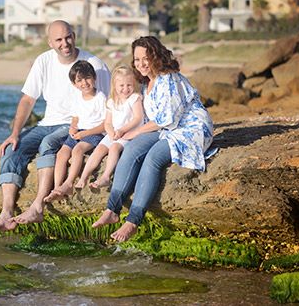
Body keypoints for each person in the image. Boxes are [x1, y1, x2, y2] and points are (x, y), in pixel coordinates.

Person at [0, 20, 110, 234]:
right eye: (58, 39)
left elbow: (108, 104)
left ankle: (37, 206)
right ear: (50, 42)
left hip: (73, 126)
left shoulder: (94, 64)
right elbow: (27, 100)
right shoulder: (43, 61)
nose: (65, 43)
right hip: (46, 123)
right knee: (12, 150)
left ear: (74, 36)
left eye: (68, 37)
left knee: (47, 145)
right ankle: (6, 213)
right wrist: (14, 134)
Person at [92, 36, 215, 242]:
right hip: (166, 129)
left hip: (190, 129)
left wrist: (132, 133)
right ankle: (112, 209)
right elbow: (152, 120)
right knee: (131, 150)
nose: (140, 64)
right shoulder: (149, 82)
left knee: (153, 158)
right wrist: (126, 133)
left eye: (145, 58)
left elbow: (167, 118)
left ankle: (133, 220)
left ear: (155, 56)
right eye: (136, 59)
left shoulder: (169, 79)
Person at [43, 60, 106, 202]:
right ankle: (58, 187)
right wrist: (73, 127)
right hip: (79, 132)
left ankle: (69, 183)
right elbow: (76, 117)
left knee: (77, 150)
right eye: (79, 80)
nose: (84, 83)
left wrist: (85, 133)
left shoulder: (100, 98)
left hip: (94, 133)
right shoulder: (78, 98)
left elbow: (105, 125)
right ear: (74, 84)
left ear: (94, 77)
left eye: (87, 78)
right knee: (62, 153)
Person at [74, 65, 144, 190]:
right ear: (115, 86)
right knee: (99, 149)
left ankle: (106, 176)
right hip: (113, 133)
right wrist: (111, 133)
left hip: (129, 134)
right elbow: (107, 123)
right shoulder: (111, 101)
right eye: (121, 86)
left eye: (129, 85)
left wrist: (122, 130)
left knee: (114, 148)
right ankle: (84, 177)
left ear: (134, 83)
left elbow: (137, 118)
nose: (125, 89)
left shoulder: (135, 98)